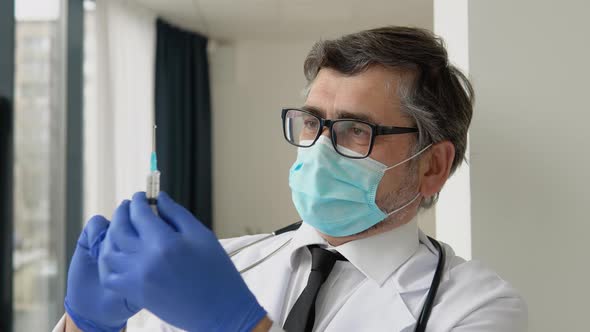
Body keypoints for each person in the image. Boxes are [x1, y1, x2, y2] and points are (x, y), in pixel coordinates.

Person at [53, 26, 527, 332]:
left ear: (432, 166)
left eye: (355, 129)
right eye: (311, 121)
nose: (319, 146)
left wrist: (238, 326)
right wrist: (85, 325)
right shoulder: (215, 268)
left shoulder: (475, 308)